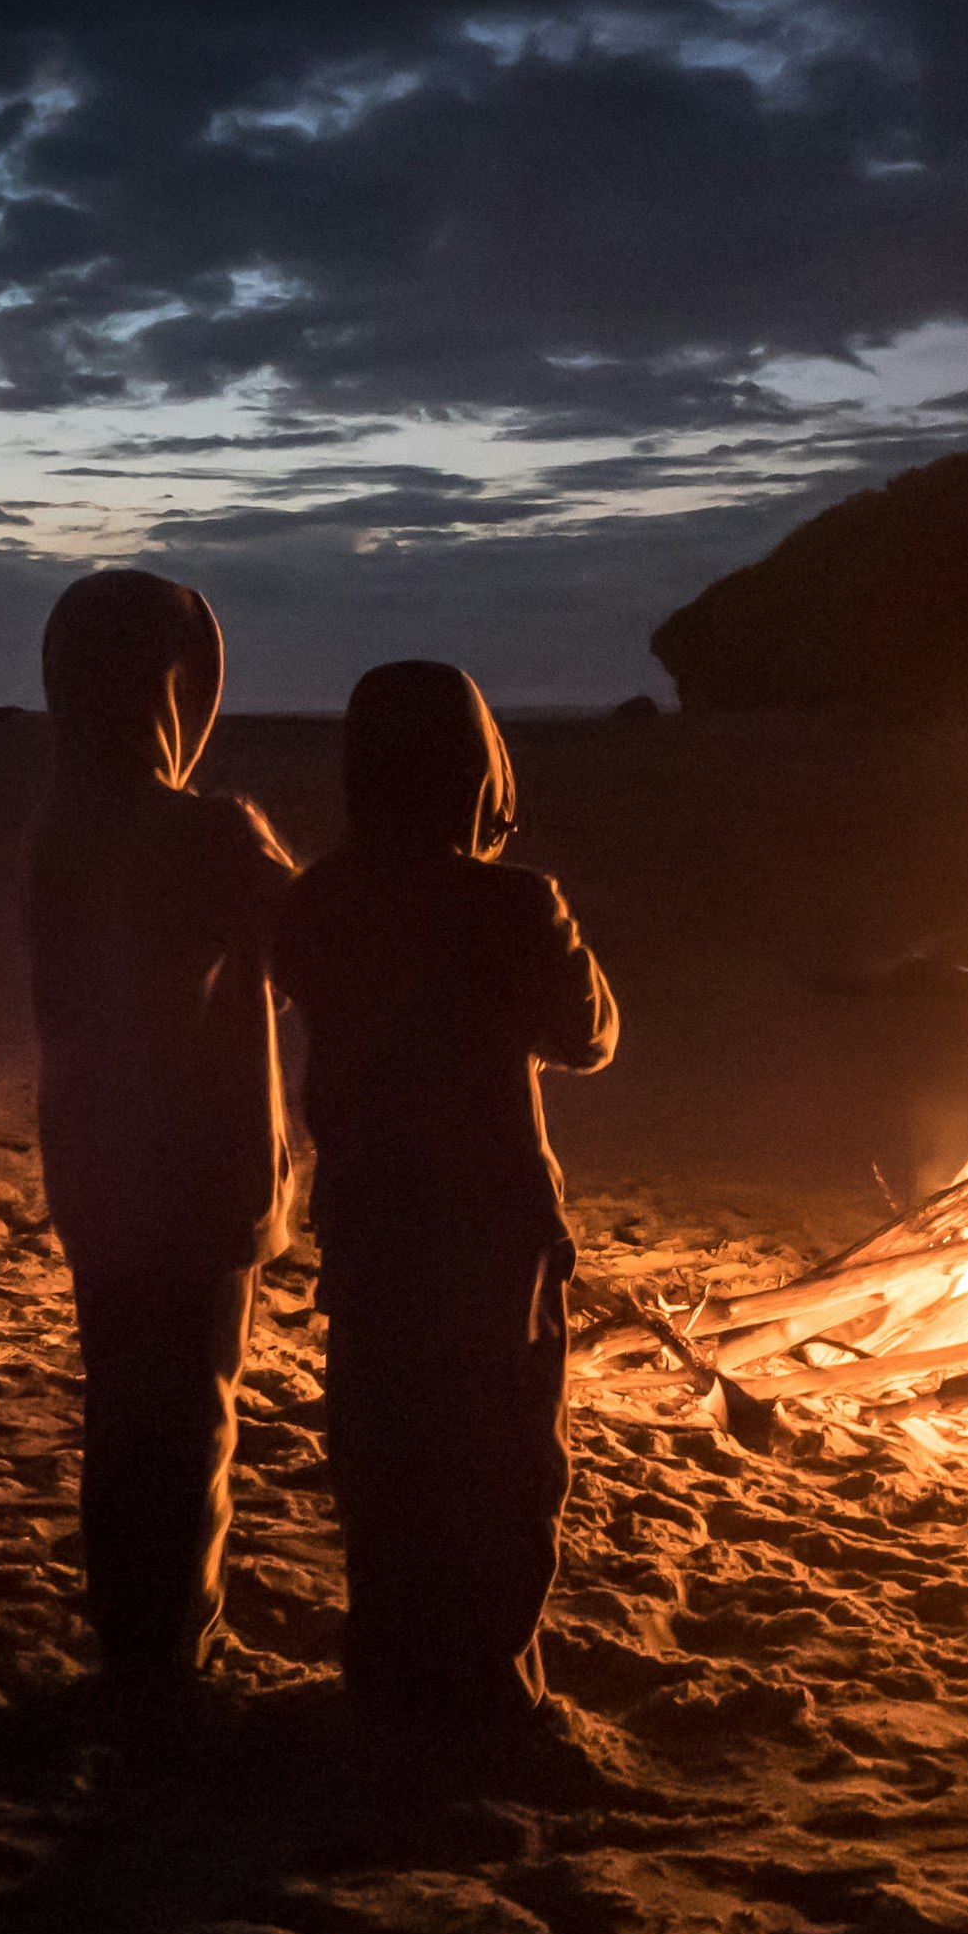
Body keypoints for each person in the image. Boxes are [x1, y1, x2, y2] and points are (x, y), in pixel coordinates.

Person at [273, 662, 616, 1730]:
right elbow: (592, 1036)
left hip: (370, 1218)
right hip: (493, 1230)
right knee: (507, 1456)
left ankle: (387, 1676)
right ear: (478, 771)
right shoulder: (515, 901)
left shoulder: (319, 897)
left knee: (383, 1447)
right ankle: (489, 1692)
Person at [24, 569, 297, 1708]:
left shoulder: (62, 825)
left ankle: (131, 1640)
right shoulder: (205, 833)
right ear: (176, 689)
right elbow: (321, 948)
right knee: (190, 1421)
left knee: (123, 1407)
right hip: (195, 1177)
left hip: (95, 1167)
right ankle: (173, 1655)